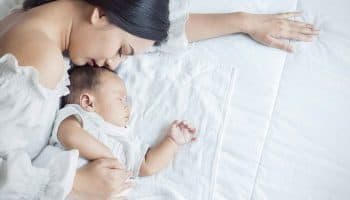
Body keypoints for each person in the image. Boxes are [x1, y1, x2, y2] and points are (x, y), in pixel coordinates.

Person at [0, 0, 319, 199]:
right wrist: (74, 186)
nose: (113, 64)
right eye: (121, 51)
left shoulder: (31, 16)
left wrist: (243, 21)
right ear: (99, 13)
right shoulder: (38, 64)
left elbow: (150, 31)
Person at [51, 65, 197, 178]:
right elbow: (69, 135)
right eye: (121, 99)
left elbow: (147, 166)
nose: (127, 106)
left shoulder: (123, 140)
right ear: (88, 103)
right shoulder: (78, 116)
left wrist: (172, 141)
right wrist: (109, 157)